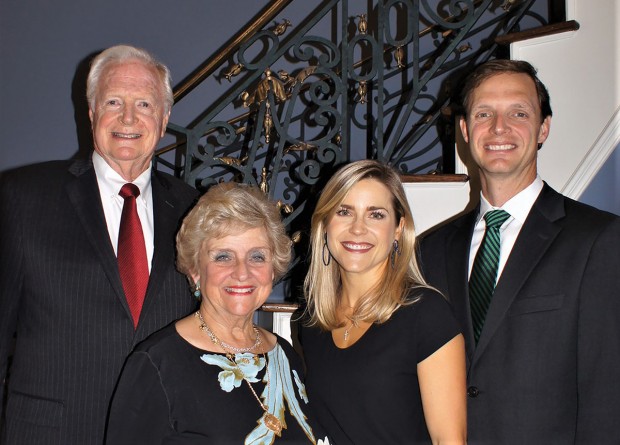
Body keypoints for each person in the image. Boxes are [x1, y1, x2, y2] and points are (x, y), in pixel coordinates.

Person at [0, 45, 199, 444]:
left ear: (163, 120)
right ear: (92, 114)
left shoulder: (194, 210)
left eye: (144, 103)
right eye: (113, 101)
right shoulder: (22, 199)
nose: (128, 117)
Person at [419, 59, 620, 443]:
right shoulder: (432, 249)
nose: (499, 128)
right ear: (464, 129)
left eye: (518, 112)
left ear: (543, 128)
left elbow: (608, 393)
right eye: (484, 113)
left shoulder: (597, 239)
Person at [105, 182, 329, 444]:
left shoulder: (285, 355)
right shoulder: (156, 364)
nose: (242, 272)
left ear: (272, 268)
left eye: (257, 256)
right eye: (223, 256)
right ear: (196, 270)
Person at [298, 160, 467, 444]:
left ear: (399, 228)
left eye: (375, 215)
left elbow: (448, 440)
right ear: (325, 224)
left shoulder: (425, 313)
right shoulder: (312, 321)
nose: (357, 229)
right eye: (344, 212)